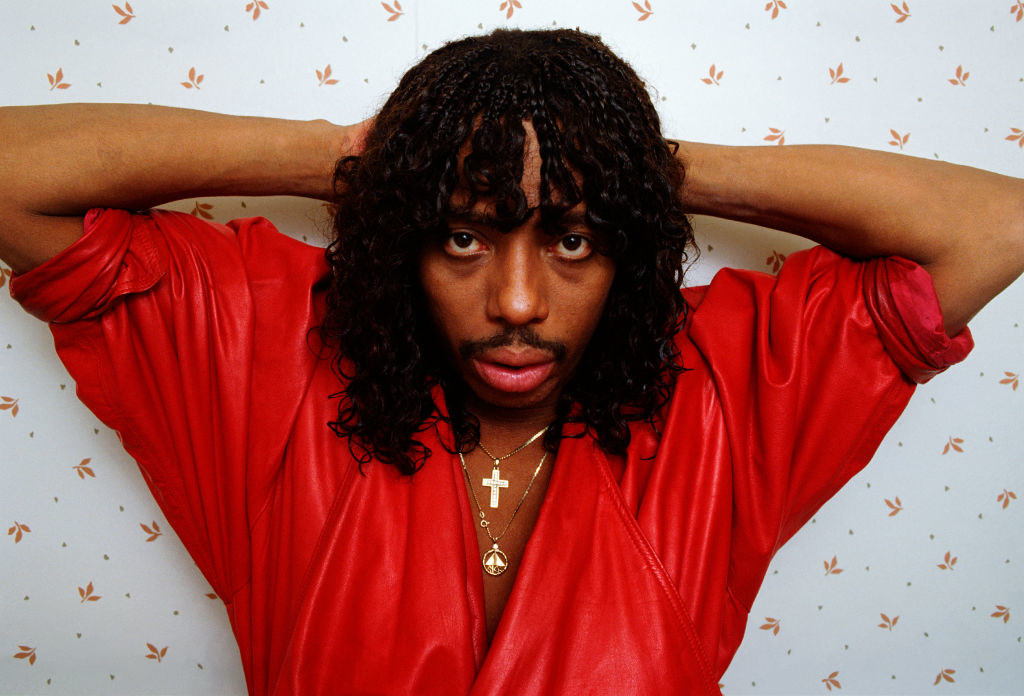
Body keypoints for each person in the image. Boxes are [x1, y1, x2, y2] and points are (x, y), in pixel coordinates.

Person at [1, 28, 1021, 695]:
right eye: (462, 236)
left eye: (574, 238)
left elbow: (994, 225)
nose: (519, 302)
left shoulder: (720, 397)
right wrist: (360, 151)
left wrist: (631, 159)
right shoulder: (271, 367)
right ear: (406, 237)